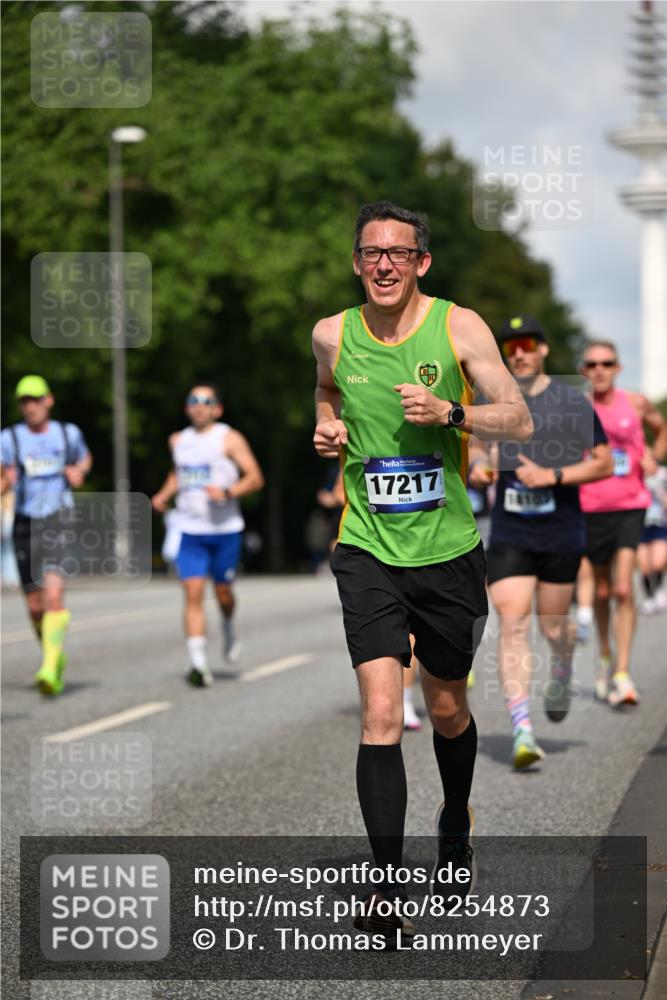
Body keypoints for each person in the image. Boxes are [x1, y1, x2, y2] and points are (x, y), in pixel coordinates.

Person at [312, 201, 533, 931]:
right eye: (370, 253)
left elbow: (518, 416)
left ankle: (454, 822)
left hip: (446, 552)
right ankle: (383, 888)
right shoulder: (330, 335)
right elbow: (325, 388)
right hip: (367, 545)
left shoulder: (457, 326)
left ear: (420, 263)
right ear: (355, 261)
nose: (383, 264)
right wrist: (325, 420)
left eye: (397, 254)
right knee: (381, 715)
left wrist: (452, 414)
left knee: (445, 708)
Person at [470, 316, 612, 769]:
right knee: (512, 621)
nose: (519, 352)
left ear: (543, 349)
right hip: (511, 530)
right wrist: (478, 463)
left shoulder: (571, 401)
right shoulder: (494, 399)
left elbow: (605, 463)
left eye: (527, 343)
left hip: (560, 530)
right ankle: (522, 730)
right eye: (510, 346)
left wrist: (553, 475)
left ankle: (564, 665)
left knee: (553, 628)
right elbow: (472, 445)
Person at [152, 382, 264, 687]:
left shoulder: (228, 439)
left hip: (225, 531)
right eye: (194, 400)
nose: (199, 405)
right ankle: (198, 664)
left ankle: (227, 624)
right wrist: (163, 495)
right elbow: (178, 473)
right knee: (192, 593)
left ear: (218, 408)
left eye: (206, 400)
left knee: (223, 594)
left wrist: (228, 491)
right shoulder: (178, 440)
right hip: (190, 530)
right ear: (187, 407)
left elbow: (255, 477)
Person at [579, 341, 667, 705]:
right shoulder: (578, 407)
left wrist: (654, 460)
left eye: (607, 363)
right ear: (584, 370)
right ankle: (604, 655)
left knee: (624, 589)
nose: (600, 369)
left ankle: (623, 672)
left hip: (631, 503)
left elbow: (661, 430)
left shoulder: (636, 402)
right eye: (593, 364)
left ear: (618, 367)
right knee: (600, 592)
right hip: (590, 505)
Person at [0, 375, 92, 696]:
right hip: (26, 521)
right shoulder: (9, 438)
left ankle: (50, 668)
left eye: (36, 399)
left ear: (48, 400)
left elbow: (84, 458)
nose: (31, 406)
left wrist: (79, 471)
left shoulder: (68, 433)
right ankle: (53, 655)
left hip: (58, 516)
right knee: (35, 606)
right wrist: (6, 481)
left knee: (53, 596)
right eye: (25, 400)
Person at [637, 464, 667, 614]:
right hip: (639, 526)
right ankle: (650, 596)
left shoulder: (662, 474)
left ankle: (659, 588)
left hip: (659, 525)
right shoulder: (634, 474)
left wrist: (660, 493)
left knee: (658, 563)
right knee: (644, 567)